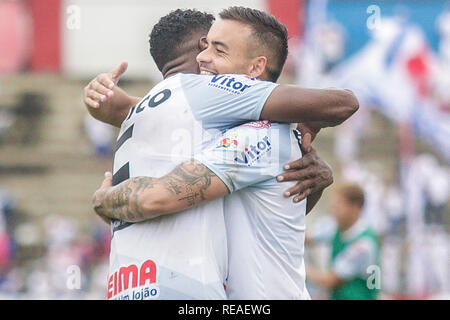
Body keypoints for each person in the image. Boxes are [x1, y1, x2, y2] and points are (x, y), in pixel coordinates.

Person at [84, 7, 357, 299]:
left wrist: (103, 200)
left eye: (218, 49)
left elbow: (157, 197)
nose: (204, 57)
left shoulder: (258, 135)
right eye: (206, 45)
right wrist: (109, 104)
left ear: (254, 70)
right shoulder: (233, 131)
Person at [306, 183, 380, 300]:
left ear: (356, 207)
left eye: (338, 206)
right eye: (333, 206)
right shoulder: (335, 226)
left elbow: (330, 281)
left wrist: (298, 268)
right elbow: (307, 238)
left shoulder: (363, 244)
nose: (333, 211)